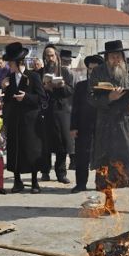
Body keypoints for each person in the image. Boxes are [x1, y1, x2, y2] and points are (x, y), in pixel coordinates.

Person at [88, 40, 129, 216]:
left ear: (123, 57)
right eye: (112, 56)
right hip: (107, 127)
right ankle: (109, 203)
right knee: (106, 166)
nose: (116, 59)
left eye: (118, 56)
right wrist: (109, 97)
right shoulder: (97, 72)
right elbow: (90, 99)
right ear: (106, 58)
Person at [1, 42, 45, 193]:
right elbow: (6, 100)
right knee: (15, 150)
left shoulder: (33, 76)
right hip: (14, 119)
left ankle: (34, 182)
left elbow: (41, 98)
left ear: (18, 62)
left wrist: (26, 97)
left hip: (31, 120)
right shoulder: (9, 78)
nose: (9, 66)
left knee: (31, 150)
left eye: (10, 63)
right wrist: (4, 88)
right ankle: (17, 181)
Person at [39, 46, 75, 184]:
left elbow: (70, 91)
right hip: (46, 110)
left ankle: (61, 173)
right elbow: (36, 92)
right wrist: (45, 88)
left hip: (61, 111)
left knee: (62, 142)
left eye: (52, 55)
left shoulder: (65, 72)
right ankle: (45, 171)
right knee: (45, 142)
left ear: (57, 56)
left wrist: (62, 86)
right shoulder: (40, 72)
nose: (50, 58)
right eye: (47, 56)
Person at [70, 54, 102, 193]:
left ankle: (100, 184)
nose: (92, 72)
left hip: (101, 127)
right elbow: (75, 108)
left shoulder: (106, 87)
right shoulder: (81, 86)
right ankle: (80, 184)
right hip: (83, 127)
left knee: (101, 157)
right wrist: (73, 127)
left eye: (96, 69)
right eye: (90, 69)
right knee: (82, 156)